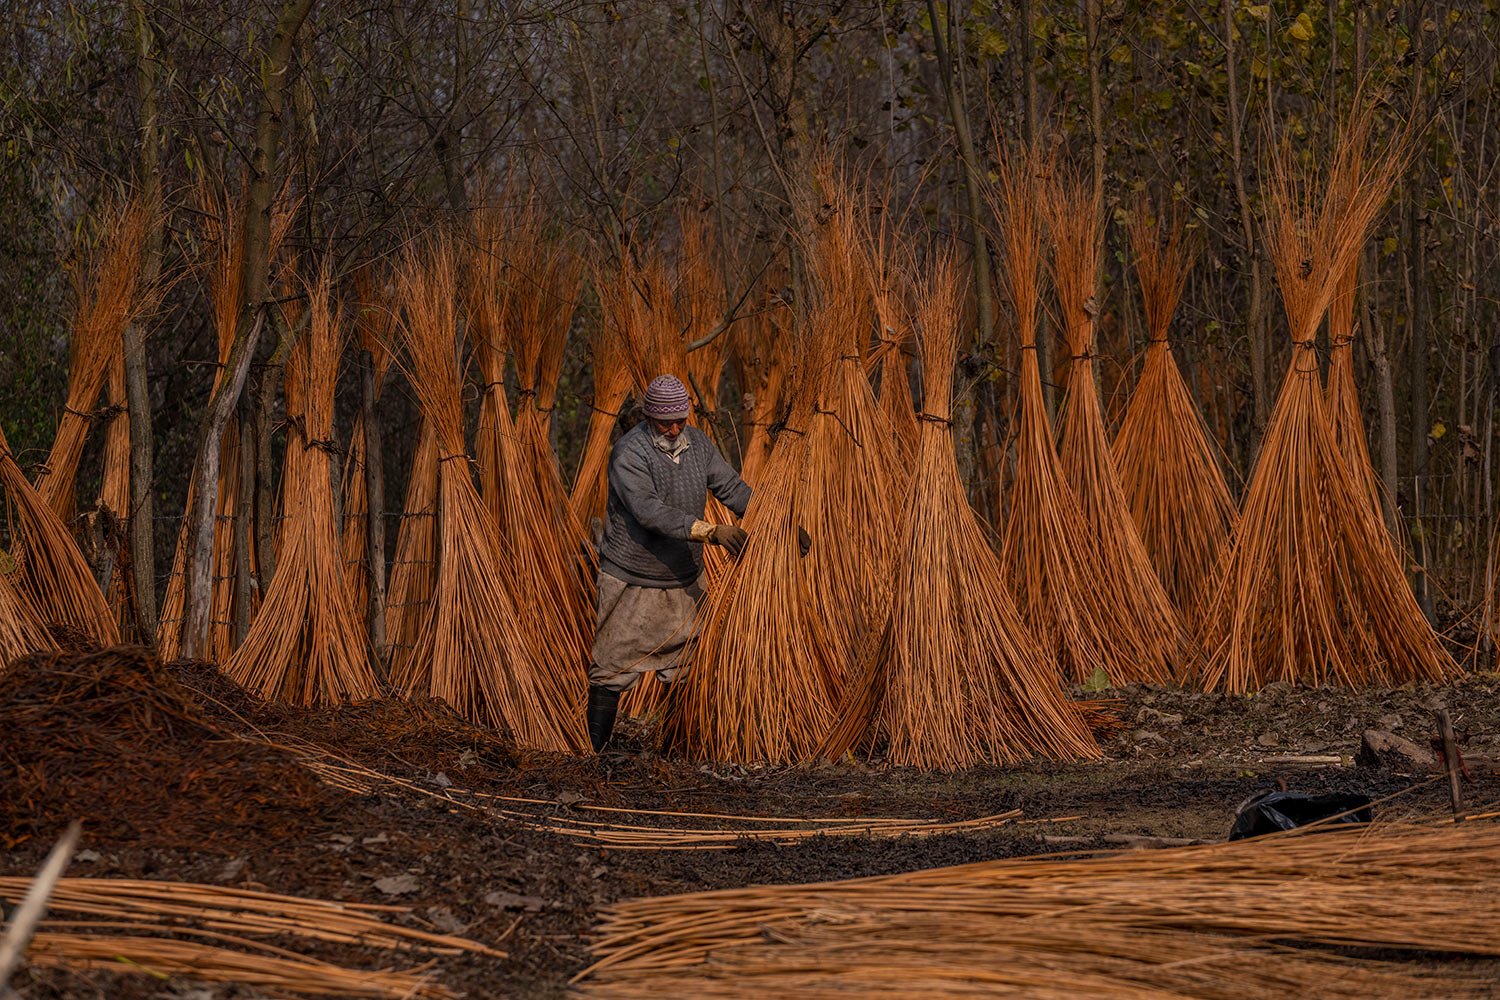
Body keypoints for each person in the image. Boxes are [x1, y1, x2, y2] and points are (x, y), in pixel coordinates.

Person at [586, 373, 754, 752]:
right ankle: (595, 754)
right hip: (633, 580)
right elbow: (648, 511)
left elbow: (731, 488)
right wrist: (711, 532)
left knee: (686, 669)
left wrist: (780, 520)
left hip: (683, 579)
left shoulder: (698, 445)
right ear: (649, 417)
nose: (676, 429)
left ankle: (677, 751)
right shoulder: (630, 453)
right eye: (666, 422)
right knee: (612, 666)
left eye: (681, 420)